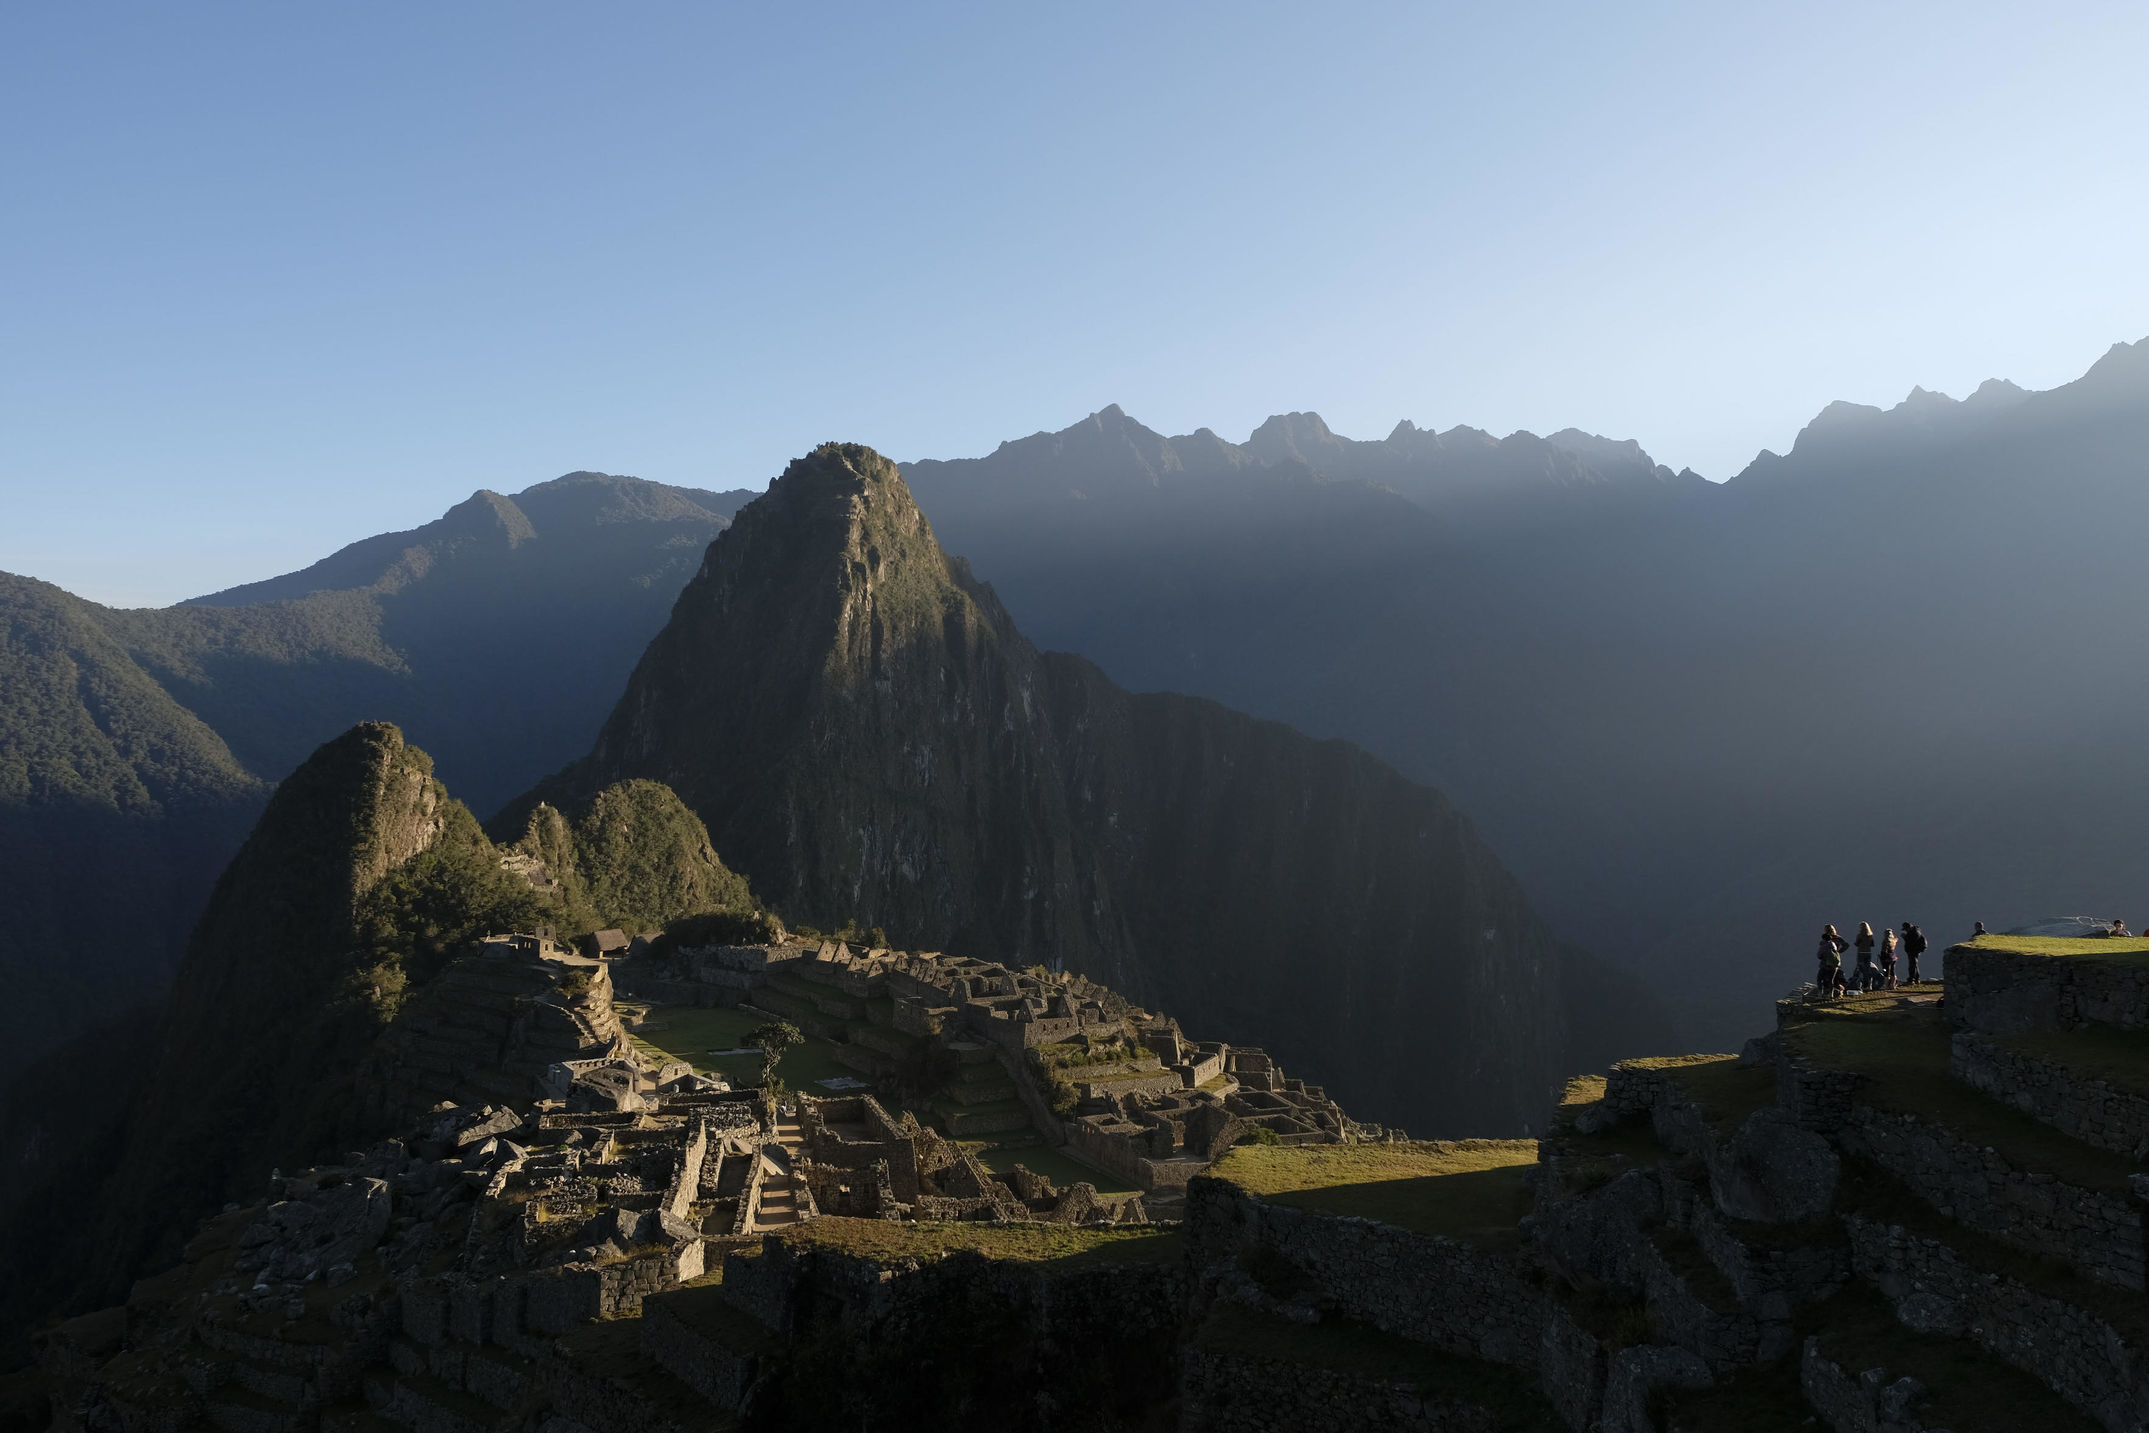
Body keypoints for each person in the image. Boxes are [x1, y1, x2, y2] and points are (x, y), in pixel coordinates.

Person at [1816, 924, 1848, 998]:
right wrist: (1838, 952)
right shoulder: (1838, 938)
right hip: (1835, 961)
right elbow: (1846, 945)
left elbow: (1819, 954)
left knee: (1821, 978)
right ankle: (1833, 994)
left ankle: (1822, 994)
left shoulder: (1824, 941)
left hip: (1825, 962)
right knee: (1833, 979)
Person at [1854, 922, 1878, 992]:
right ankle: (1869, 985)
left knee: (1861, 968)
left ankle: (1862, 984)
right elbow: (1872, 944)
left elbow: (1857, 944)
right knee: (1867, 969)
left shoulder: (1859, 935)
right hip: (1868, 953)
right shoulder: (1870, 936)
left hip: (1861, 953)